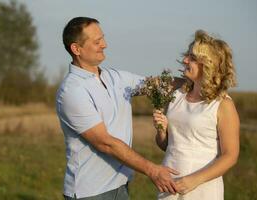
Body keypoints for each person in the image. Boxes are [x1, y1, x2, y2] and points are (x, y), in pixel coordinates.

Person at [56, 17, 180, 200]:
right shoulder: (72, 91)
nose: (104, 45)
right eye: (97, 42)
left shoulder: (115, 78)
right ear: (76, 49)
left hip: (121, 186)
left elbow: (156, 84)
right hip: (90, 192)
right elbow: (105, 143)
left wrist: (197, 84)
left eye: (103, 38)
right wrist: (152, 170)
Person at [153, 30, 240, 200]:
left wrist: (193, 180)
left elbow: (230, 156)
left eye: (192, 58)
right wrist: (161, 131)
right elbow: (167, 145)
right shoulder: (176, 96)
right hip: (169, 186)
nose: (185, 60)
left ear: (208, 64)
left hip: (202, 188)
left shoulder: (223, 104)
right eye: (187, 55)